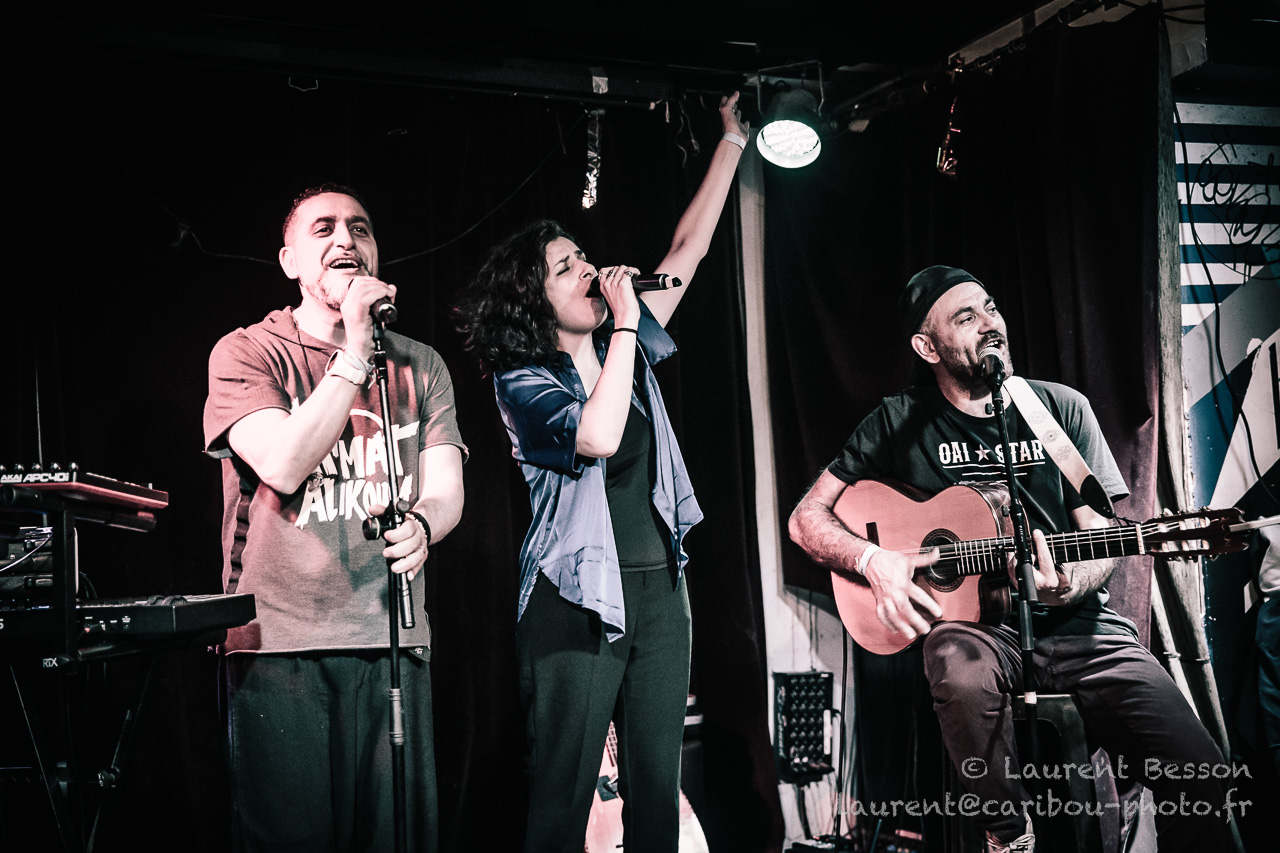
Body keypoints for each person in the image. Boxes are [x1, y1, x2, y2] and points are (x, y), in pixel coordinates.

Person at [788, 266, 1232, 853]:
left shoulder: (1059, 409)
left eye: (991, 308)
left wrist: (1069, 584)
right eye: (965, 317)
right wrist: (871, 559)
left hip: (1080, 628)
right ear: (927, 347)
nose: (989, 323)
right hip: (975, 630)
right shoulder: (897, 422)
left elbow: (1100, 538)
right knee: (954, 660)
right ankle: (1008, 836)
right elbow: (806, 519)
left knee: (1204, 775)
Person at [454, 93, 748, 852]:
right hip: (575, 600)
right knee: (562, 796)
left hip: (660, 593)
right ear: (534, 298)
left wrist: (732, 141)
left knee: (657, 792)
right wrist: (623, 327)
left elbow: (688, 251)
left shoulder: (629, 342)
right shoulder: (523, 382)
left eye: (584, 257)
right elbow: (599, 433)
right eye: (567, 267)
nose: (589, 268)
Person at [203, 184, 466, 852]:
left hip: (390, 638)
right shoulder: (246, 352)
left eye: (360, 228)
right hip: (278, 643)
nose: (346, 239)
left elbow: (446, 489)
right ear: (290, 260)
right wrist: (353, 350)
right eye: (323, 229)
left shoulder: (421, 364)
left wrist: (424, 526)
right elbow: (284, 464)